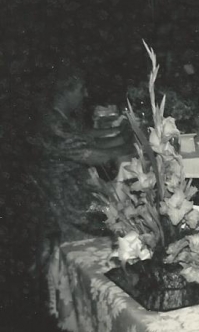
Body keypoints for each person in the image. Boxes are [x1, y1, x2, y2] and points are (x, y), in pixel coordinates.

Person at [32, 71, 134, 247]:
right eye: (81, 89)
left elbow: (88, 139)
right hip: (71, 204)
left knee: (128, 196)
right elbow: (98, 157)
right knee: (131, 212)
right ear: (66, 91)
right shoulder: (54, 125)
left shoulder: (56, 117)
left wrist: (125, 137)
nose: (86, 94)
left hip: (71, 190)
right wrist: (140, 147)